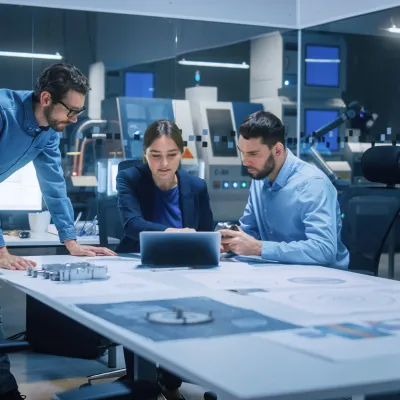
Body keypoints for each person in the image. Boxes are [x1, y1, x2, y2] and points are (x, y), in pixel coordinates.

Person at [0, 63, 116, 400]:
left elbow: (54, 185)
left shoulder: (48, 132)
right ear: (47, 98)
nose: (75, 119)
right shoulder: (4, 114)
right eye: (72, 110)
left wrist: (71, 241)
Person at [116, 119, 214, 382]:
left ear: (181, 154)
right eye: (155, 155)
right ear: (144, 154)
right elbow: (132, 225)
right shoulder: (129, 178)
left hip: (183, 271)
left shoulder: (197, 186)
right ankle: (141, 381)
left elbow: (206, 232)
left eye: (172, 155)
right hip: (139, 267)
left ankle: (170, 383)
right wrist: (173, 233)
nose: (164, 164)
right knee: (139, 318)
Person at [220, 110, 349, 269]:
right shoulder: (260, 178)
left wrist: (258, 248)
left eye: (253, 154)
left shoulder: (312, 183)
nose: (245, 162)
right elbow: (250, 232)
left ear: (278, 150)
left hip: (323, 278)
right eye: (242, 153)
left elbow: (324, 250)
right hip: (278, 271)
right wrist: (231, 240)